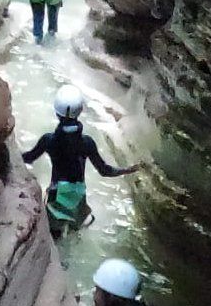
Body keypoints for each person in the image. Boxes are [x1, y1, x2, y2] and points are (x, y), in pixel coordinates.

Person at [22, 86, 142, 237]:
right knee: (76, 232)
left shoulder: (49, 140)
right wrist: (128, 169)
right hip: (77, 198)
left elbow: (28, 158)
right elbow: (105, 171)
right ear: (80, 111)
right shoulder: (87, 142)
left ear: (56, 112)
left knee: (55, 238)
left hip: (56, 194)